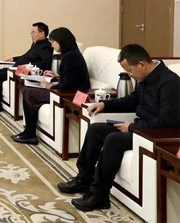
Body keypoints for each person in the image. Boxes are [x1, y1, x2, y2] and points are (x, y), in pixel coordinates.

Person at [58, 44, 180, 212]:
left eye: (130, 71)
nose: (130, 75)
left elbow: (167, 122)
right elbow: (132, 100)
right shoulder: (144, 79)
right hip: (140, 128)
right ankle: (83, 179)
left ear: (141, 65)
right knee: (96, 129)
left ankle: (99, 195)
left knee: (113, 139)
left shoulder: (170, 83)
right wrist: (104, 104)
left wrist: (132, 127)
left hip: (154, 134)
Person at [12, 27, 89, 145]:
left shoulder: (70, 57)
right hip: (69, 91)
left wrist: (49, 87)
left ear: (61, 41)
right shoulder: (71, 54)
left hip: (69, 95)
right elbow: (70, 77)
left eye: (53, 42)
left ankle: (30, 134)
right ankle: (28, 132)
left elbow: (67, 86)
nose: (52, 45)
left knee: (29, 92)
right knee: (29, 91)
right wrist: (56, 75)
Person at [0, 22, 53, 114]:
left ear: (42, 33)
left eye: (33, 32)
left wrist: (28, 65)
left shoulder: (46, 47)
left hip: (23, 73)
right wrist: (14, 58)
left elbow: (46, 64)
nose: (31, 35)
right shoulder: (36, 44)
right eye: (31, 32)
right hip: (16, 68)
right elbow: (26, 56)